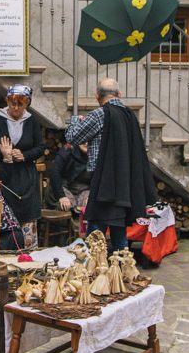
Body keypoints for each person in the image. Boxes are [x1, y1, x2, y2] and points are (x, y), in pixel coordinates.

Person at [64, 77, 155, 254]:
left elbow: (73, 137)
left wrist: (75, 120)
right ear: (119, 94)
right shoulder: (130, 116)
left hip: (104, 182)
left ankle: (92, 267)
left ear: (97, 95)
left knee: (96, 228)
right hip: (125, 182)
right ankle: (122, 266)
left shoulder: (100, 114)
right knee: (117, 225)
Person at [0, 85, 45, 242]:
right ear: (7, 102)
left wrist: (24, 155)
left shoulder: (31, 121)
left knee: (27, 215)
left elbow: (41, 147)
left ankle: (28, 253)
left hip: (26, 177)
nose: (15, 108)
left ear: (27, 104)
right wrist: (3, 153)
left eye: (20, 105)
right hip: (4, 175)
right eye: (12, 104)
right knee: (5, 213)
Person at [46, 140, 90, 216]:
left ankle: (81, 226)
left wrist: (91, 196)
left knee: (88, 207)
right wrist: (61, 196)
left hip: (84, 189)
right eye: (84, 140)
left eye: (89, 141)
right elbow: (54, 172)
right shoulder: (67, 149)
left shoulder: (96, 153)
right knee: (65, 206)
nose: (86, 143)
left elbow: (99, 179)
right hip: (64, 187)